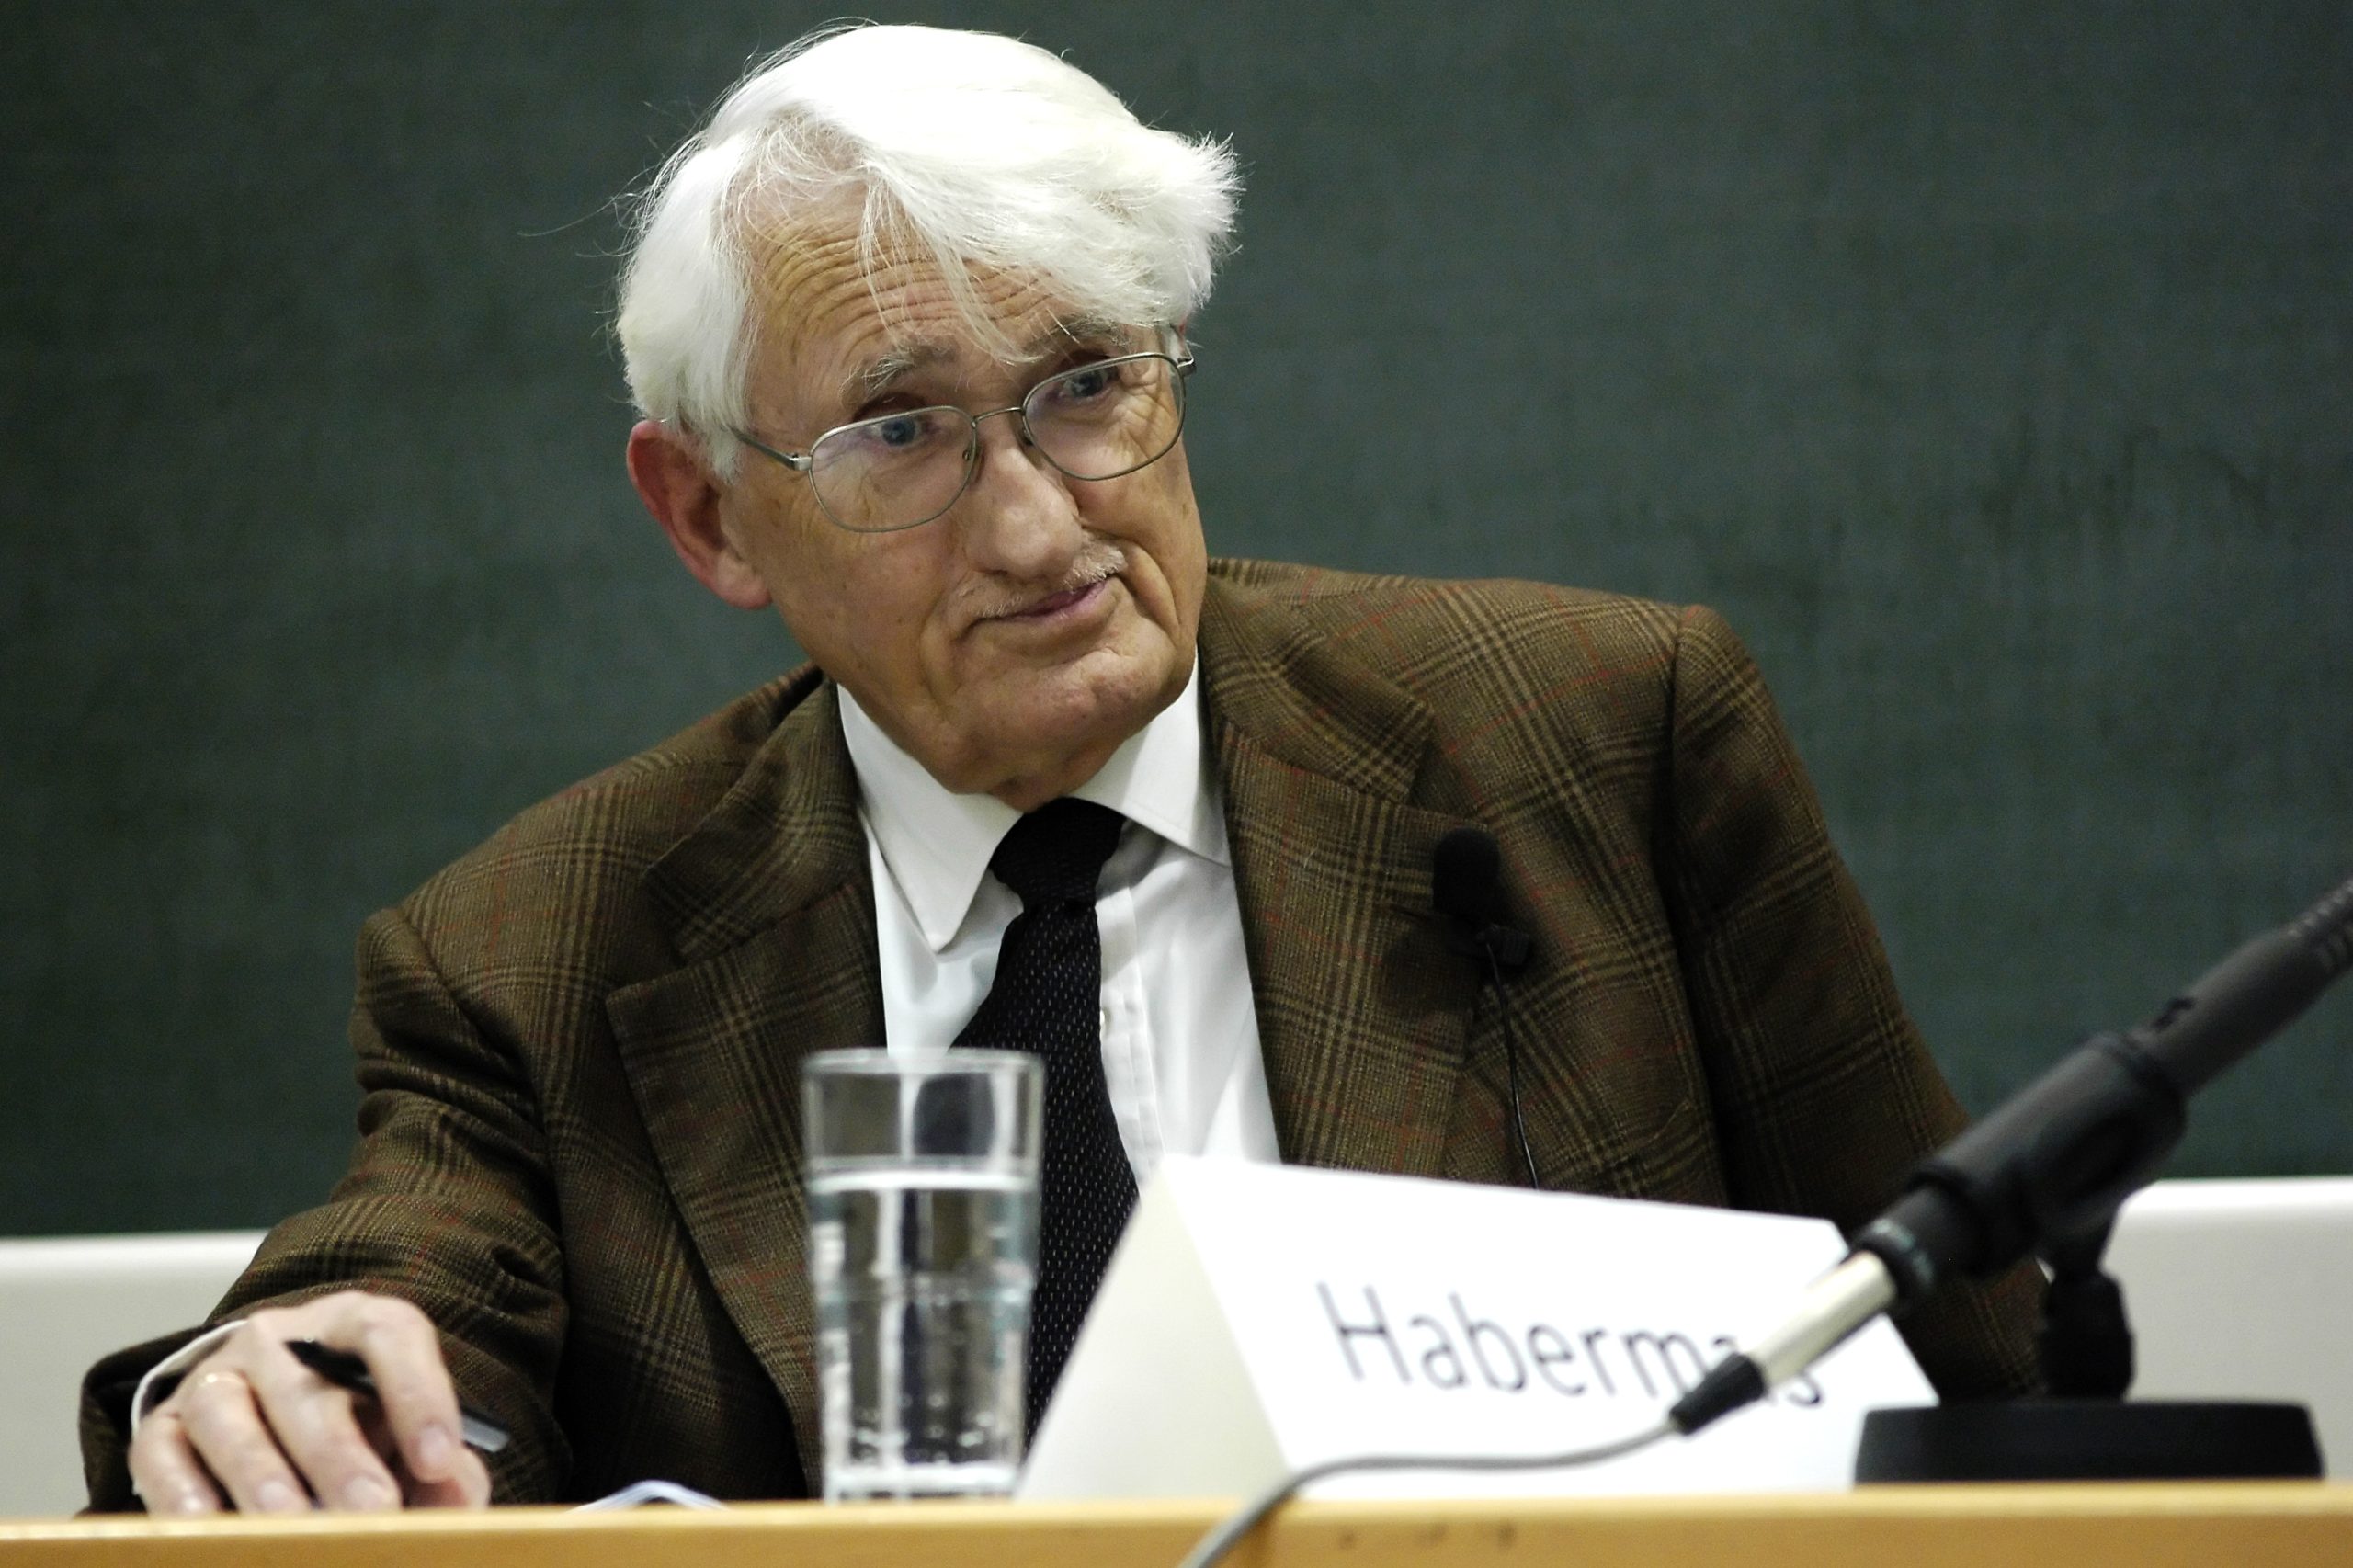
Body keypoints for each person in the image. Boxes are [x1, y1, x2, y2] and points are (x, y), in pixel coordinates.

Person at [82, 23, 2038, 1514]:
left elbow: (1977, 1386)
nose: (1036, 526)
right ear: (707, 517)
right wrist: (271, 1370)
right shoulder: (535, 950)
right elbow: (402, 1289)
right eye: (903, 434)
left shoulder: (1595, 740)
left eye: (1089, 384)